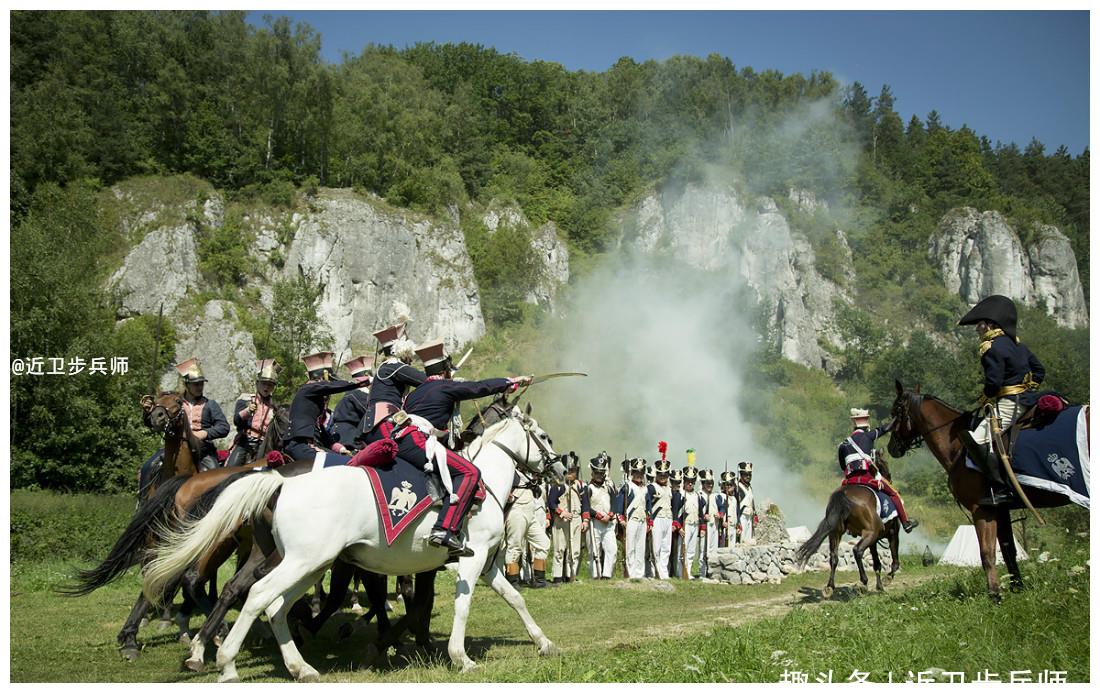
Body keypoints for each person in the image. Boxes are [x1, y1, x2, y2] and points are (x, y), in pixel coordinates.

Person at [393, 339, 531, 557]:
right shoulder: (445, 386)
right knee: (470, 472)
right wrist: (510, 382)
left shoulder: (414, 393)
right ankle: (444, 529)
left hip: (404, 439)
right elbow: (478, 387)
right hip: (418, 441)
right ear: (445, 370)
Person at [957, 294, 1046, 506]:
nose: (977, 329)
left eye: (979, 324)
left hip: (1010, 403)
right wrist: (1027, 388)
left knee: (976, 440)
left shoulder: (992, 347)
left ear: (989, 324)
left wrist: (985, 395)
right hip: (1027, 400)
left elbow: (994, 383)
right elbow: (1039, 370)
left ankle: (1002, 489)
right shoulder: (1018, 345)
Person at [839, 408, 919, 532]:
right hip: (867, 478)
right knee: (894, 494)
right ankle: (906, 523)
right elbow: (885, 428)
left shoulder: (843, 444)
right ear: (867, 425)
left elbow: (843, 467)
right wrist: (897, 418)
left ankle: (849, 527)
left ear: (854, 425)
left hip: (850, 482)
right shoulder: (869, 435)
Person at [283, 352, 364, 462]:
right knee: (345, 463)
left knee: (348, 460)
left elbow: (322, 434)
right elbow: (329, 386)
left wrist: (340, 449)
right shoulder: (308, 388)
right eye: (328, 380)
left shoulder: (314, 403)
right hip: (300, 446)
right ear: (321, 379)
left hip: (310, 446)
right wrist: (363, 381)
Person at [357, 321, 426, 446]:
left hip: (377, 421)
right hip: (383, 421)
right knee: (412, 447)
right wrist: (441, 381)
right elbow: (425, 380)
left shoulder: (386, 367)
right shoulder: (393, 367)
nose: (410, 359)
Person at [175, 358, 230, 471]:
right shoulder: (176, 404)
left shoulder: (210, 404)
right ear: (186, 385)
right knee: (153, 467)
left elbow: (224, 427)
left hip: (203, 450)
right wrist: (147, 411)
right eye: (196, 384)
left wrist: (204, 433)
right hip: (177, 448)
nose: (200, 387)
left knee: (214, 473)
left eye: (201, 384)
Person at [504, 465, 552, 589]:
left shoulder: (530, 473)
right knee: (515, 547)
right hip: (516, 510)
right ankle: (512, 582)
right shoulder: (511, 472)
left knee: (543, 543)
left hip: (530, 511)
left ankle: (539, 581)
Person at [226, 359, 280, 467]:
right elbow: (236, 420)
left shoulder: (275, 407)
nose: (266, 387)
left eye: (270, 385)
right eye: (264, 383)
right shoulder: (245, 399)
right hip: (245, 441)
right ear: (257, 383)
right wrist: (247, 411)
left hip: (264, 444)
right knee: (231, 468)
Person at [548, 453, 585, 583]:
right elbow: (551, 503)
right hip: (561, 520)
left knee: (574, 550)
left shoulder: (580, 486)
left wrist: (585, 520)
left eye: (572, 471)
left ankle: (571, 575)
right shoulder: (558, 486)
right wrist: (561, 512)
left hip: (576, 519)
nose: (570, 473)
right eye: (568, 470)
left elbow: (585, 504)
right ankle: (558, 577)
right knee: (559, 549)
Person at [582, 452, 618, 580]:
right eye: (597, 473)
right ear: (592, 473)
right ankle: (595, 575)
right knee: (594, 551)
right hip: (595, 523)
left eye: (601, 473)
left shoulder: (609, 487)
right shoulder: (588, 488)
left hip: (608, 522)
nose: (599, 475)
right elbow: (586, 506)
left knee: (612, 549)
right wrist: (598, 516)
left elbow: (615, 502)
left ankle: (607, 575)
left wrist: (610, 514)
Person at [330, 355, 374, 449]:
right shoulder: (358, 393)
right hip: (347, 435)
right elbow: (371, 412)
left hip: (343, 432)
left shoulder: (352, 393)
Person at [617, 458, 648, 579]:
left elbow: (648, 505)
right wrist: (621, 519)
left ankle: (639, 573)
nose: (639, 475)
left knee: (640, 548)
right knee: (630, 548)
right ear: (632, 473)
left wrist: (649, 521)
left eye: (641, 473)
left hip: (642, 521)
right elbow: (620, 504)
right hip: (631, 520)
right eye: (636, 472)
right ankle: (630, 573)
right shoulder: (627, 487)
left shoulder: (645, 488)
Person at [646, 460, 674, 580]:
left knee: (666, 547)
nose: (663, 477)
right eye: (660, 474)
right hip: (657, 519)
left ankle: (663, 572)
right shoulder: (651, 487)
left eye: (665, 474)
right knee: (655, 547)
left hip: (668, 519)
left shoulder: (669, 489)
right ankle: (654, 571)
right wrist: (649, 520)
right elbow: (647, 504)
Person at [678, 466, 704, 579]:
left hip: (695, 524)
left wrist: (702, 527)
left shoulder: (697, 495)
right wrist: (679, 527)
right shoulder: (681, 494)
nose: (690, 483)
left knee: (691, 551)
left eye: (692, 481)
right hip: (686, 525)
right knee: (682, 550)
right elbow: (677, 513)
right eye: (688, 481)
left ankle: (688, 572)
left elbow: (700, 512)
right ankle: (681, 573)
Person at [698, 469, 725, 577]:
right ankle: (702, 573)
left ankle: (712, 572)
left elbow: (722, 507)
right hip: (704, 527)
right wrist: (703, 517)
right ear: (703, 483)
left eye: (711, 483)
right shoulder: (699, 495)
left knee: (713, 551)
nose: (710, 485)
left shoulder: (715, 496)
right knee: (703, 551)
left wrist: (720, 514)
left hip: (714, 527)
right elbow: (698, 511)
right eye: (707, 483)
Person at [668, 468, 685, 577]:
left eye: (678, 482)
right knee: (668, 550)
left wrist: (678, 525)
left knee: (675, 551)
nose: (677, 484)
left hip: (677, 526)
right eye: (675, 482)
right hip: (668, 524)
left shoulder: (681, 495)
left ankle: (674, 572)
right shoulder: (669, 493)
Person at [734, 461, 756, 544]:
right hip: (741, 516)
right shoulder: (737, 487)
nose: (748, 476)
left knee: (748, 541)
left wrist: (755, 515)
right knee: (741, 540)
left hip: (749, 516)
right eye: (746, 474)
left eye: (749, 474)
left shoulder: (749, 487)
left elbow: (752, 502)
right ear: (741, 474)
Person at [719, 471, 738, 547]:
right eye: (727, 485)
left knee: (732, 547)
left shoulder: (734, 499)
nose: (729, 486)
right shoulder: (721, 496)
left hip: (733, 525)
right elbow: (720, 511)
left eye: (731, 484)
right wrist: (722, 522)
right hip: (725, 526)